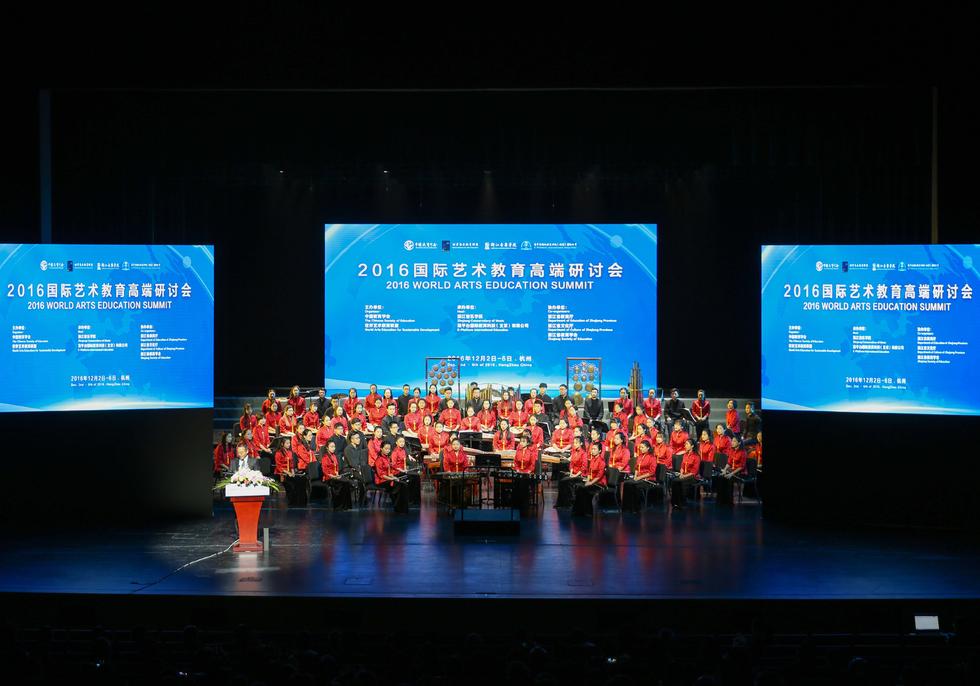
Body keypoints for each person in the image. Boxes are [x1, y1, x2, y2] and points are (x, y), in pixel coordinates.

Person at [622, 439, 659, 512]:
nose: (640, 449)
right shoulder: (640, 456)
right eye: (640, 447)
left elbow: (652, 472)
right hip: (638, 478)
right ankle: (627, 507)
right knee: (626, 484)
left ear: (648, 448)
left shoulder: (652, 458)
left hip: (648, 479)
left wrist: (639, 477)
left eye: (642, 447)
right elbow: (636, 468)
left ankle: (636, 508)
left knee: (635, 486)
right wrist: (635, 476)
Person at [572, 443, 607, 516]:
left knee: (585, 489)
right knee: (579, 487)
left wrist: (590, 483)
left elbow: (599, 475)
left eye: (594, 449)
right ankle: (579, 511)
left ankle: (588, 512)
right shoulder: (592, 460)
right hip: (591, 481)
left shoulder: (602, 461)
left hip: (599, 483)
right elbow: (589, 472)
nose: (592, 451)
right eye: (592, 449)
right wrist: (588, 480)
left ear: (600, 451)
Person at [373, 442, 408, 513]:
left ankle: (403, 508)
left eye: (389, 449)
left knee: (404, 484)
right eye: (386, 449)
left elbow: (389, 471)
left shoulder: (387, 458)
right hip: (381, 481)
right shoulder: (379, 460)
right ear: (381, 448)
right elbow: (381, 475)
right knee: (400, 485)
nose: (388, 450)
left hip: (388, 478)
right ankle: (397, 507)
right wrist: (392, 479)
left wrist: (393, 477)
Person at [555, 435, 588, 508]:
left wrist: (575, 475)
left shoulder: (584, 453)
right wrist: (571, 473)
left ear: (581, 443)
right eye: (574, 443)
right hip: (573, 473)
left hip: (580, 475)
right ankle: (561, 503)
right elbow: (571, 464)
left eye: (576, 443)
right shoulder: (574, 452)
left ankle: (568, 502)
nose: (574, 444)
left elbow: (584, 467)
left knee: (565, 482)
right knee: (560, 478)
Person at [321, 440, 354, 510]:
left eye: (334, 447)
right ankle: (338, 506)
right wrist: (333, 476)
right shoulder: (325, 458)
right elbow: (325, 471)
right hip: (329, 478)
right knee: (342, 483)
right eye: (331, 447)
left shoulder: (334, 456)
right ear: (327, 448)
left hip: (335, 476)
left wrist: (337, 474)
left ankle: (345, 506)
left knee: (347, 482)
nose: (333, 448)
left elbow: (336, 467)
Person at [715, 436, 747, 505]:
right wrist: (724, 470)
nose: (732, 442)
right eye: (732, 441)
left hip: (740, 472)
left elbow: (742, 466)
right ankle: (721, 500)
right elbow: (729, 463)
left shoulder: (743, 452)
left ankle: (729, 501)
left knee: (729, 478)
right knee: (720, 477)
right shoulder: (731, 450)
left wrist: (731, 474)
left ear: (739, 443)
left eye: (734, 441)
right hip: (732, 470)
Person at [670, 439, 701, 509]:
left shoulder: (696, 456)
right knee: (674, 481)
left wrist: (684, 476)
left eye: (687, 444)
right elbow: (682, 466)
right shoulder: (685, 455)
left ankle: (682, 502)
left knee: (681, 482)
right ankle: (675, 502)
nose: (685, 445)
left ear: (692, 446)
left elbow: (694, 472)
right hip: (684, 474)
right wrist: (681, 474)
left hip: (693, 476)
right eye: (685, 444)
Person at [391, 435, 421, 505]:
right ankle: (410, 499)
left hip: (404, 470)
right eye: (400, 442)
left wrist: (407, 468)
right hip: (398, 472)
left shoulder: (404, 450)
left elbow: (405, 460)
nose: (402, 443)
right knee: (413, 478)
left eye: (403, 442)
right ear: (396, 442)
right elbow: (393, 465)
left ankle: (415, 499)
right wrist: (402, 470)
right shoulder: (395, 452)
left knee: (417, 477)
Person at [511, 433, 538, 510]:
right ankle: (516, 504)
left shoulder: (531, 452)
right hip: (519, 472)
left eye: (523, 441)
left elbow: (532, 465)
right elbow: (515, 462)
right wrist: (517, 469)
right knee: (516, 483)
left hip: (527, 473)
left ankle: (524, 504)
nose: (521, 443)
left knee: (523, 483)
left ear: (527, 443)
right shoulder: (518, 451)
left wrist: (528, 471)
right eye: (521, 441)